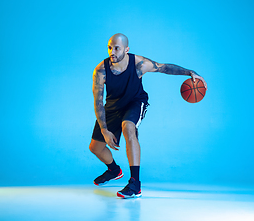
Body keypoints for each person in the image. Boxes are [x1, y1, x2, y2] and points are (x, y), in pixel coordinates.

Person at [89, 33, 207, 199]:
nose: (112, 52)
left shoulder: (139, 64)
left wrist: (190, 72)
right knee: (95, 147)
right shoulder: (101, 70)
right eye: (110, 48)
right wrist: (104, 130)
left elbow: (163, 67)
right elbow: (98, 102)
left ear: (126, 49)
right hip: (112, 107)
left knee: (128, 128)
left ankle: (135, 184)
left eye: (117, 48)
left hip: (135, 102)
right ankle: (114, 170)